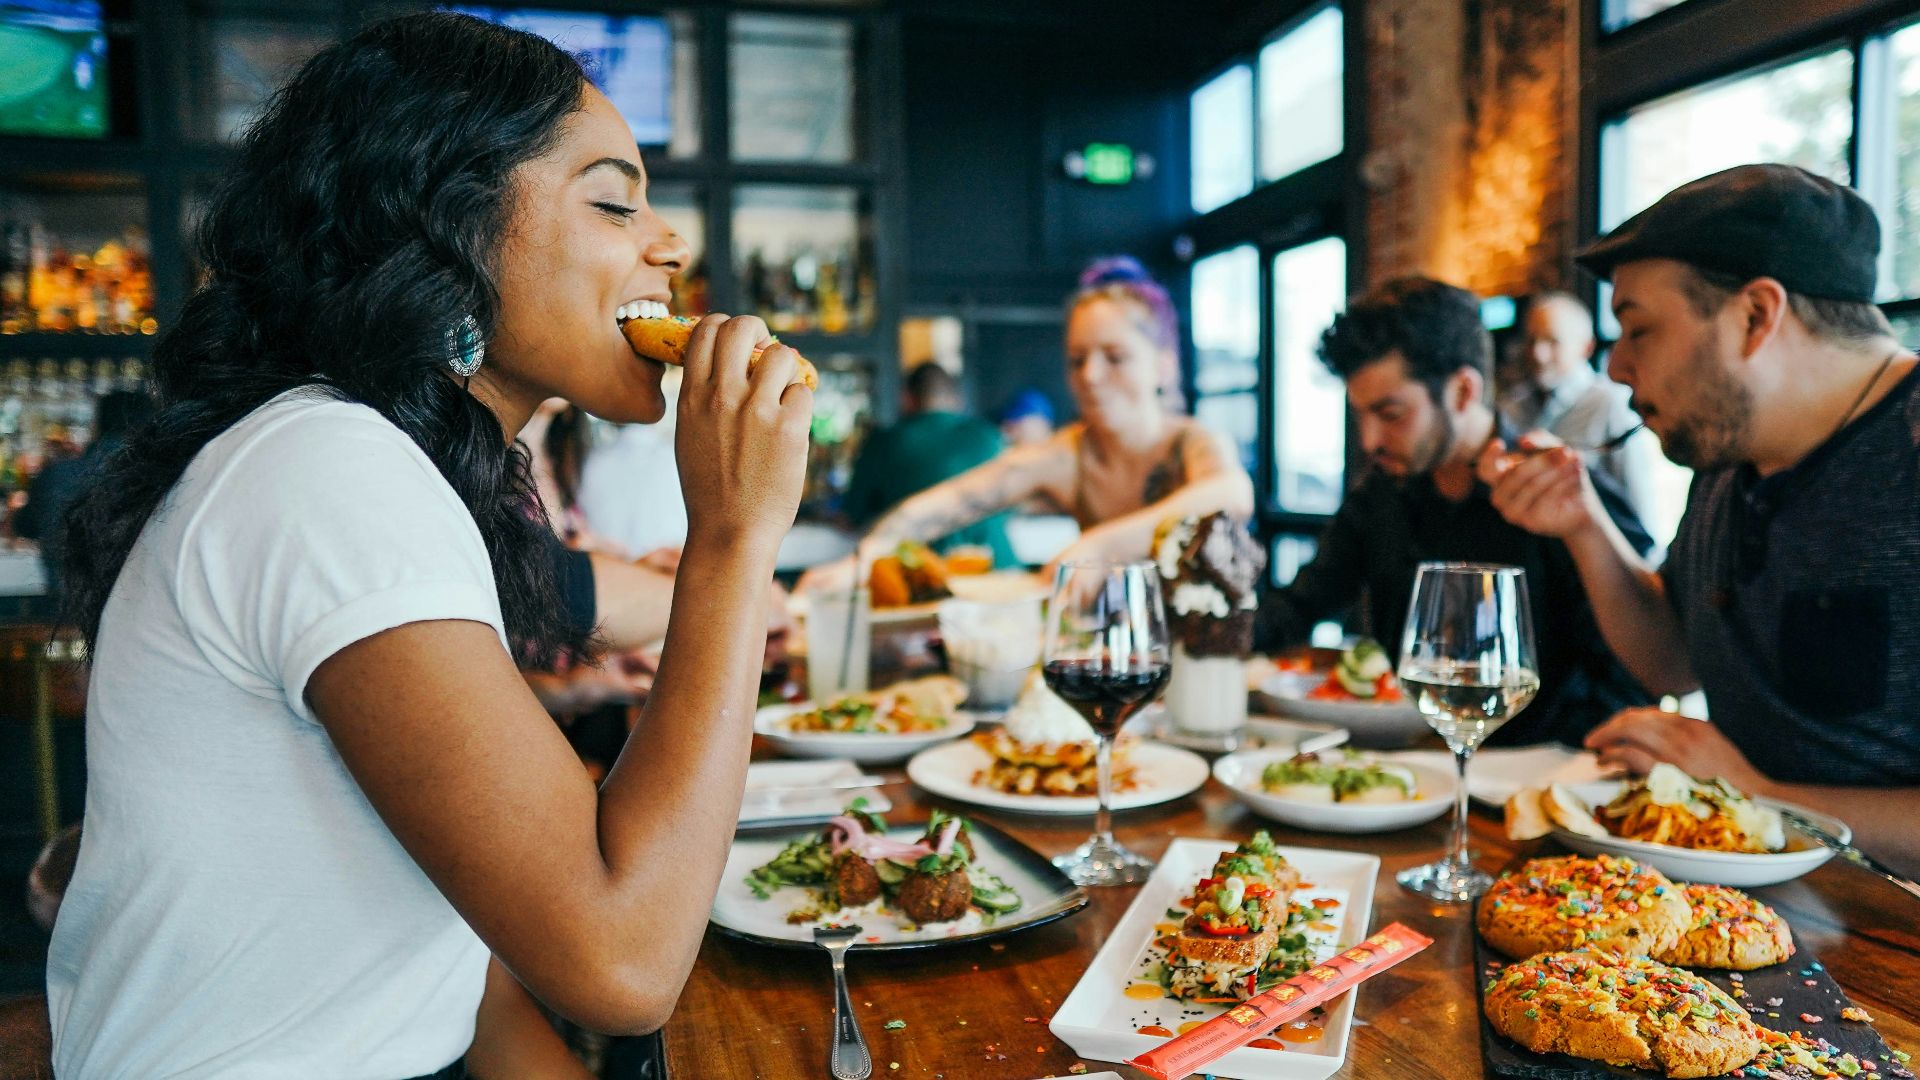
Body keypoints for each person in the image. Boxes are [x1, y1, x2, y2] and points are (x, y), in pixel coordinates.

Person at [45, 13, 811, 1076]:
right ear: (447, 229)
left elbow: (451, 963)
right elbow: (624, 966)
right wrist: (735, 537)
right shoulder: (328, 471)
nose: (668, 244)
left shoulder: (394, 469)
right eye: (611, 202)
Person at [1483, 163, 1920, 873]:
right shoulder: (1729, 455)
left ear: (1756, 315)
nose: (1618, 367)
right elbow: (1672, 657)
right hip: (1751, 902)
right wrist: (1583, 525)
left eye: (1638, 330)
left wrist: (1757, 794)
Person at [1256, 276, 1653, 746]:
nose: (1369, 441)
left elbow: (1635, 675)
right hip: (1409, 769)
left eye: (1391, 414)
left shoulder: (1560, 493)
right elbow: (1297, 607)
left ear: (1463, 391)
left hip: (1534, 784)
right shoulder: (1380, 497)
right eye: (1360, 415)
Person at [798, 256, 1252, 587]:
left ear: (1164, 366)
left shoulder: (1192, 441)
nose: (1090, 376)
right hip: (1116, 661)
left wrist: (1098, 547)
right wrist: (862, 561)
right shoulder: (1068, 454)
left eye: (1115, 357)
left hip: (1208, 667)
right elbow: (950, 502)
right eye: (1077, 359)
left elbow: (1230, 494)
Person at [1500, 292, 1661, 532]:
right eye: (1532, 340)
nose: (1538, 353)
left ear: (1586, 347)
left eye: (1552, 341)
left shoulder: (1611, 405)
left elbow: (1639, 509)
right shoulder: (1510, 406)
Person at [843, 360, 1013, 565]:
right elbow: (1011, 507)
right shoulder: (990, 435)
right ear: (956, 398)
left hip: (922, 574)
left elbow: (852, 516)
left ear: (906, 398)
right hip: (1000, 569)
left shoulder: (883, 442)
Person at [8, 390, 154, 603]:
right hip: (141, 614)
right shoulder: (161, 477)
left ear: (97, 425)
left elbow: (23, 526)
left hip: (64, 614)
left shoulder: (56, 475)